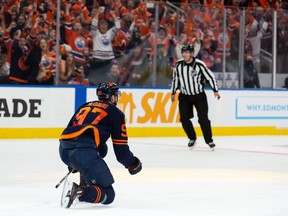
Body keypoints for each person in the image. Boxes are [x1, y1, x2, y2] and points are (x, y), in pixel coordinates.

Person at [59, 81, 142, 208]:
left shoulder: (84, 106)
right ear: (113, 97)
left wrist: (73, 163)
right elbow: (121, 151)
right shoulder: (115, 112)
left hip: (64, 151)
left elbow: (70, 130)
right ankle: (81, 191)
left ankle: (86, 181)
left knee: (102, 149)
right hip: (84, 152)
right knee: (109, 195)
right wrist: (133, 164)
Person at [170, 44, 220, 150]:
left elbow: (210, 77)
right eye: (183, 52)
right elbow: (175, 79)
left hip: (199, 96)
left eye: (187, 52)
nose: (185, 54)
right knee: (184, 119)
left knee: (203, 119)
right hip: (184, 96)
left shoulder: (199, 64)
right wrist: (173, 92)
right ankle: (192, 138)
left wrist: (215, 90)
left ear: (192, 53)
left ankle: (209, 140)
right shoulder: (178, 65)